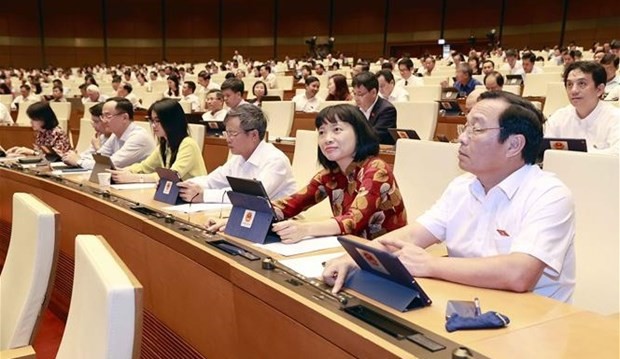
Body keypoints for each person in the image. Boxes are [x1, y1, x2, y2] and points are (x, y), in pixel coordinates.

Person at [323, 91, 577, 303]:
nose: (462, 138)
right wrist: (356, 258)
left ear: (513, 145)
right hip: (467, 302)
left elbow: (519, 274)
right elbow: (411, 236)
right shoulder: (462, 187)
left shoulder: (549, 194)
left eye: (476, 129)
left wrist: (430, 265)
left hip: (531, 318)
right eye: (465, 127)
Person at [262, 104, 406, 242]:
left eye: (336, 129)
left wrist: (305, 229)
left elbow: (352, 219)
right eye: (322, 132)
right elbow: (292, 204)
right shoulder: (328, 175)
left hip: (388, 255)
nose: (327, 139)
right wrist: (259, 208)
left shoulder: (377, 169)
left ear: (359, 132)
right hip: (348, 250)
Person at [178, 105, 296, 203]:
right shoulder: (238, 158)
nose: (228, 139)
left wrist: (205, 195)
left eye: (233, 133)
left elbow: (252, 197)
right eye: (227, 133)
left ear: (253, 135)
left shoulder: (275, 160)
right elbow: (211, 181)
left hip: (279, 225)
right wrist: (183, 185)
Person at [109, 99, 207, 183]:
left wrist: (136, 178)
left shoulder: (188, 144)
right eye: (152, 120)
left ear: (172, 121)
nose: (153, 125)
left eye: (158, 121)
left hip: (193, 198)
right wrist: (123, 171)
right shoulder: (164, 145)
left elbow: (171, 176)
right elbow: (145, 167)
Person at [545, 61, 620, 155]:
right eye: (569, 84)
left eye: (582, 84)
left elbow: (617, 155)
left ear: (599, 89)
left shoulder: (616, 118)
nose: (574, 91)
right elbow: (545, 150)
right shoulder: (558, 117)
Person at [85, 97, 155, 168]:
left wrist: (78, 161)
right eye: (103, 116)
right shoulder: (115, 135)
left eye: (108, 115)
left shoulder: (139, 137)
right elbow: (100, 158)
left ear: (124, 117)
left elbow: (110, 164)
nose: (104, 121)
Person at [6, 101, 72, 156]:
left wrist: (32, 153)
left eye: (34, 119)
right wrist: (20, 151)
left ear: (44, 118)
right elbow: (40, 154)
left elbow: (58, 157)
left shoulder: (57, 133)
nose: (31, 122)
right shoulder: (40, 133)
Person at [61, 103, 112, 169]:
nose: (93, 125)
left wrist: (97, 147)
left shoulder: (117, 138)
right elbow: (86, 155)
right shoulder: (100, 136)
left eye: (96, 122)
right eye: (93, 122)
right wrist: (72, 157)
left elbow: (106, 165)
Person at [352, 71, 397, 145]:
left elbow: (375, 136)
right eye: (354, 94)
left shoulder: (387, 110)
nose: (356, 98)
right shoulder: (355, 109)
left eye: (360, 94)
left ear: (373, 92)